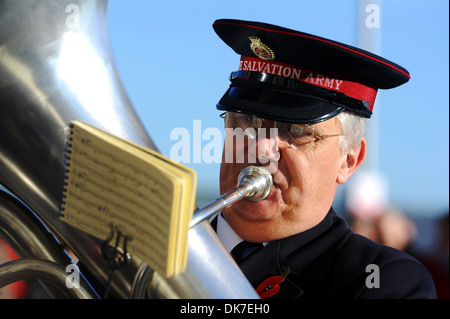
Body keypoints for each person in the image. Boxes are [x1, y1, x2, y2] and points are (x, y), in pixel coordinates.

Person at [209, 19, 436, 299]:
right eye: (247, 120)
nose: (262, 148)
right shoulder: (159, 242)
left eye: (296, 131)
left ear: (348, 161)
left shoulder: (382, 279)